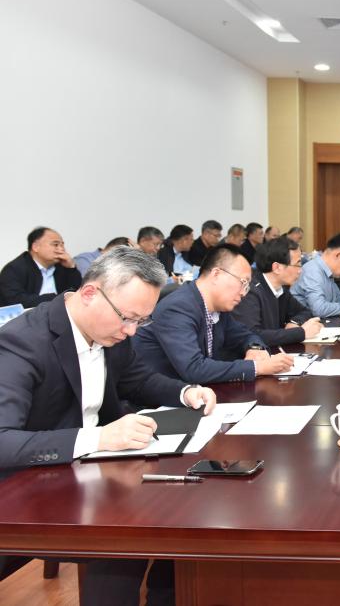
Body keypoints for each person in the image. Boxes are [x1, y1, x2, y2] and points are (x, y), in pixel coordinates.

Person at [0, 246, 217, 606]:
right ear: (90, 293)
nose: (131, 332)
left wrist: (185, 392)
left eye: (141, 321)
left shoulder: (110, 333)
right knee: (124, 537)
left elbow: (138, 379)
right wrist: (98, 437)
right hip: (30, 484)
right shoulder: (22, 343)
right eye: (127, 318)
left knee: (180, 507)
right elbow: (3, 441)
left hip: (91, 470)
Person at [132, 244, 293, 384]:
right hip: (159, 401)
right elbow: (194, 369)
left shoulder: (217, 308)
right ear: (216, 274)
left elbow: (245, 334)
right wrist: (257, 367)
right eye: (243, 283)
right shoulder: (177, 308)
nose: (244, 293)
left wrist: (255, 348)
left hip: (198, 393)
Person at [232, 237, 322, 346]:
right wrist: (300, 333)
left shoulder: (281, 289)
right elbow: (253, 335)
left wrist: (294, 323)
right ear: (277, 267)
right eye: (298, 264)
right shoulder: (250, 291)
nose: (300, 270)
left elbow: (305, 311)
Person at [0, 227, 83, 308]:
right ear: (35, 247)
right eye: (56, 244)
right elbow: (15, 301)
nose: (61, 249)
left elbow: (78, 294)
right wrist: (57, 298)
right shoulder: (13, 269)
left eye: (62, 245)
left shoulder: (62, 266)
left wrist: (71, 268)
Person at [291, 232, 340, 317]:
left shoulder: (327, 272)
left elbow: (337, 297)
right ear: (338, 255)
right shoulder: (313, 271)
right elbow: (319, 309)